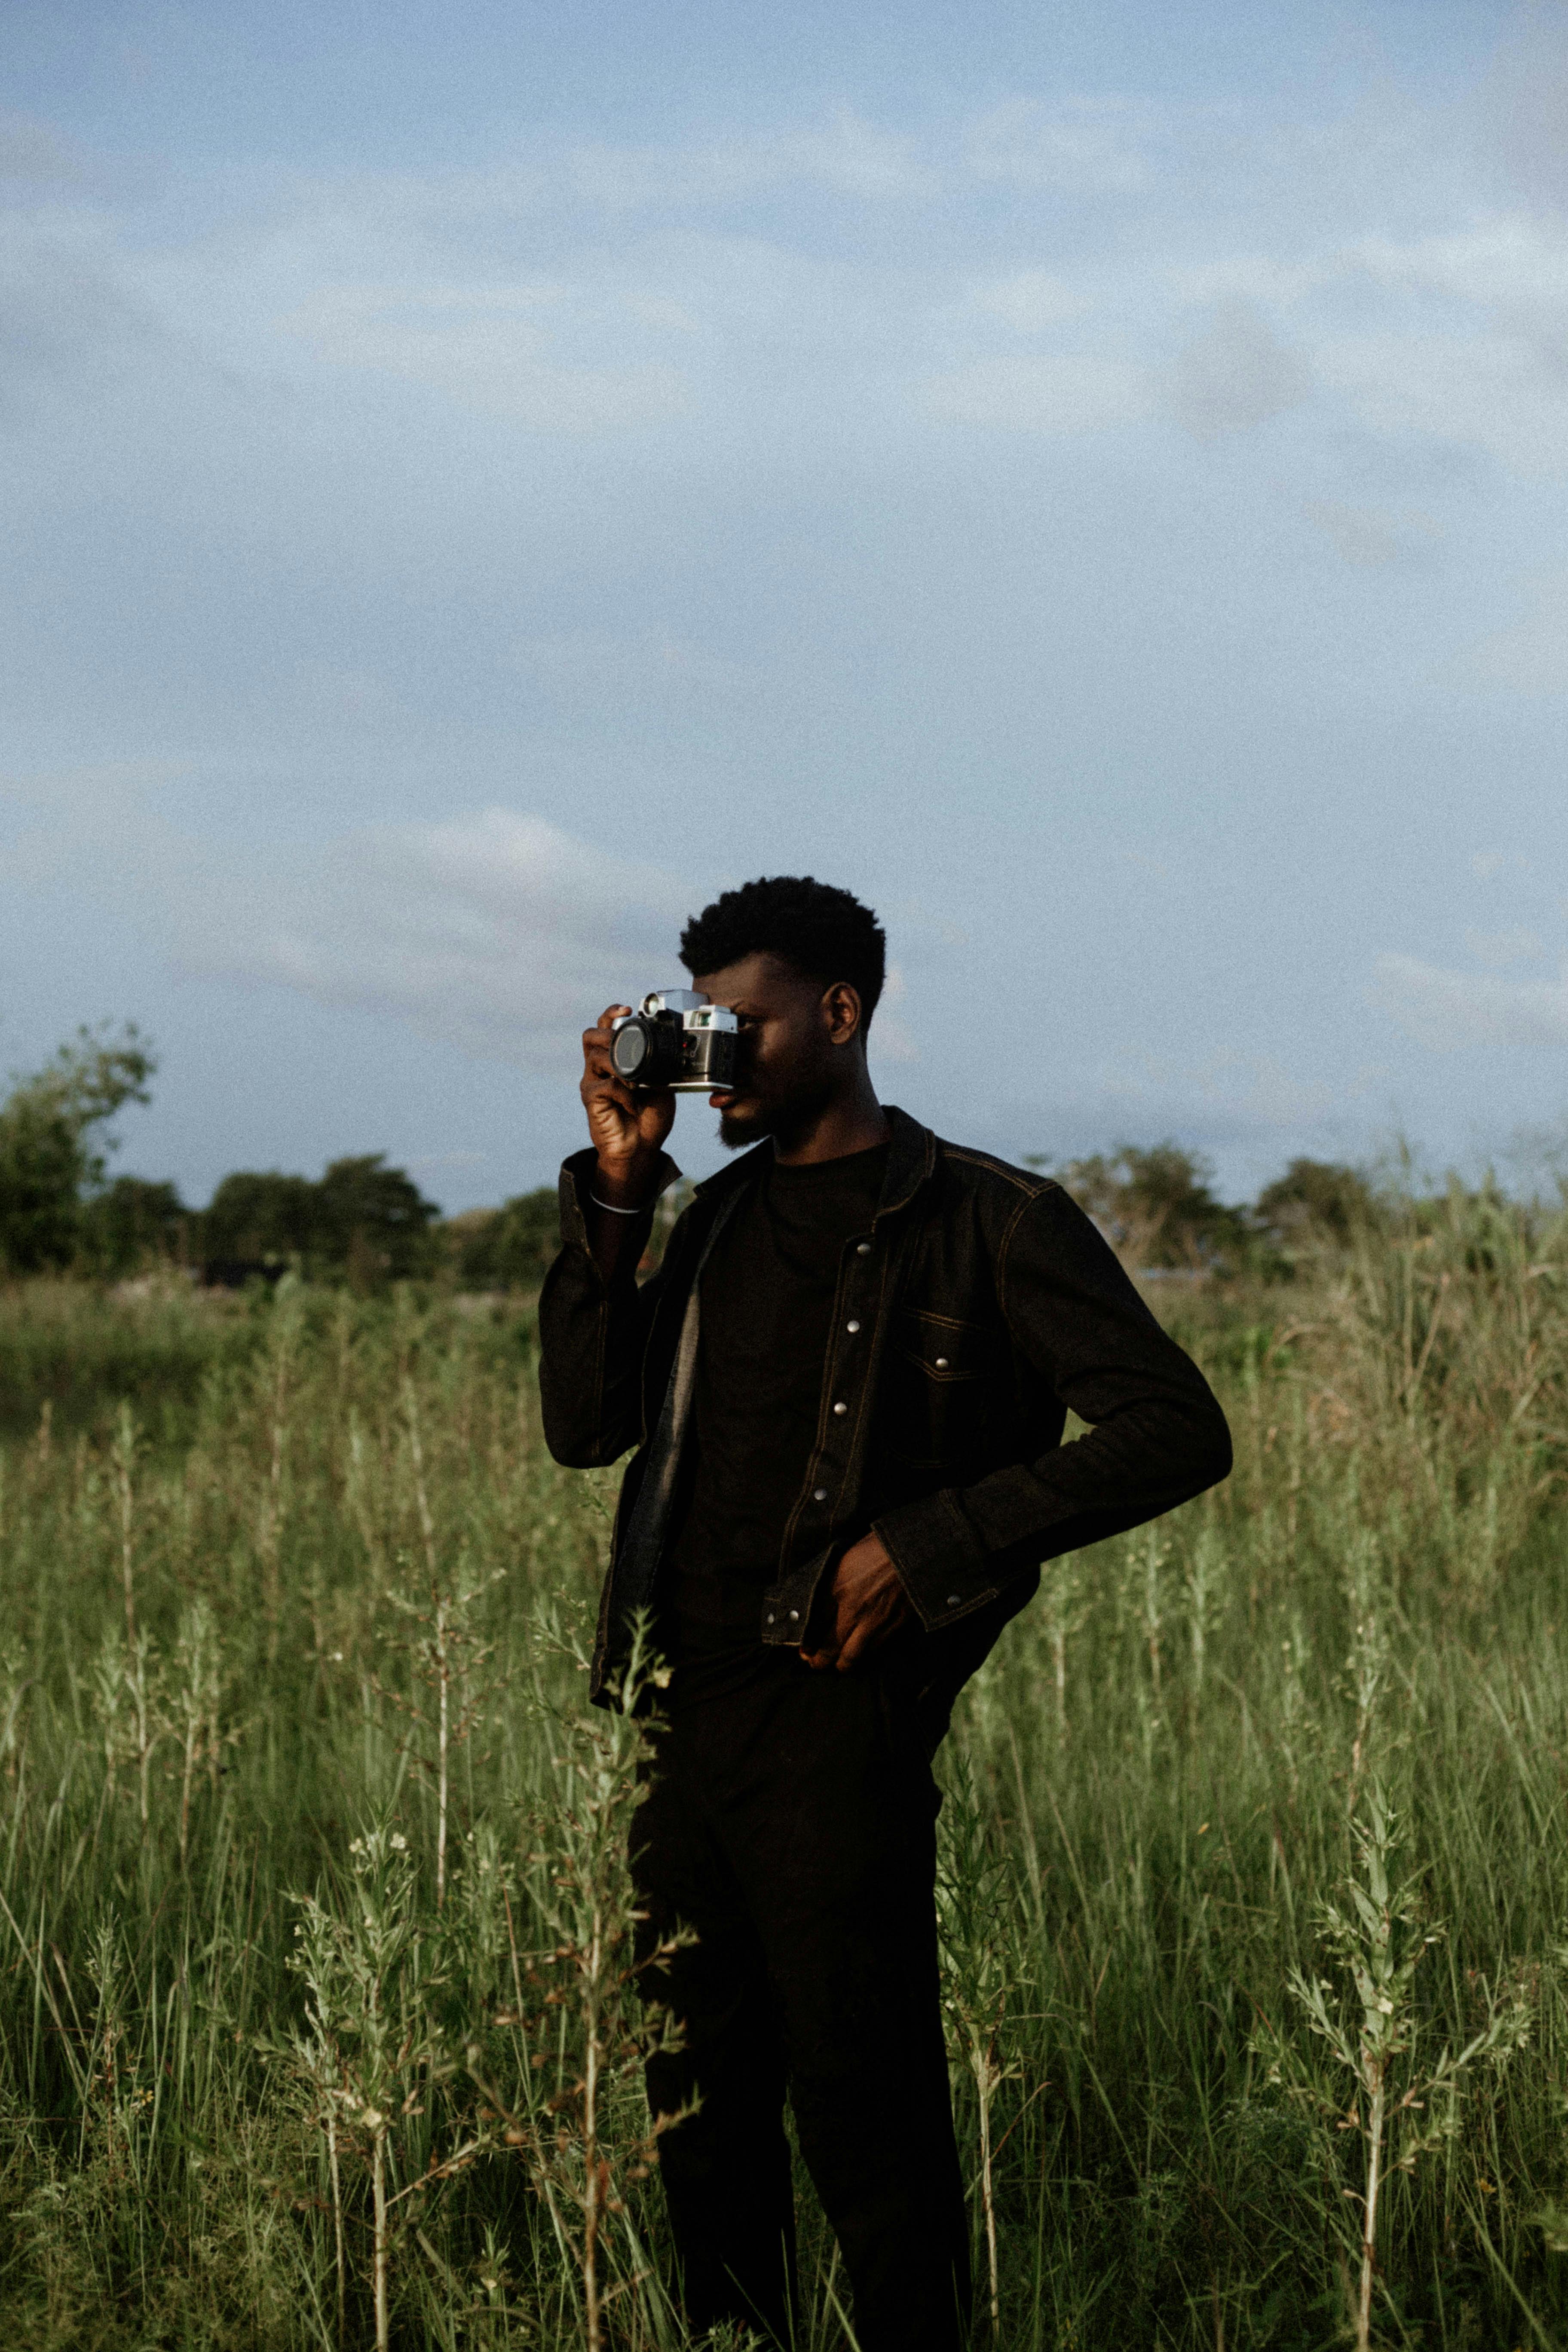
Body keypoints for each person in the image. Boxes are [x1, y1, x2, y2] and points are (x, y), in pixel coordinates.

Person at [538, 876, 1232, 2352]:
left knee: (867, 2112)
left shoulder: (992, 1220)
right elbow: (586, 1427)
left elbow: (1173, 1427)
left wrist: (933, 1545)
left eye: (749, 1026)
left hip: (840, 1710)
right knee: (698, 2105)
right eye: (700, 1028)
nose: (719, 1058)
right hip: (677, 1713)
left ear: (843, 1013)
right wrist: (615, 1190)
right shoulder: (711, 1223)